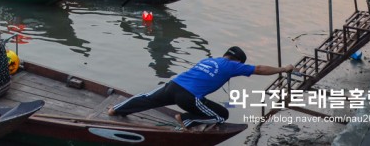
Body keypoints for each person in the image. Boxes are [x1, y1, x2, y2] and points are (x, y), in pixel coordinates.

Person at [108, 46, 294, 128]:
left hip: (173, 85)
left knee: (147, 98)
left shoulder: (209, 60)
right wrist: (283, 69)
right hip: (188, 97)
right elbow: (259, 69)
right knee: (221, 114)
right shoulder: (232, 65)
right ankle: (186, 119)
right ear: (238, 61)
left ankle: (116, 110)